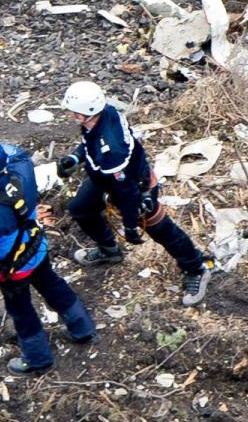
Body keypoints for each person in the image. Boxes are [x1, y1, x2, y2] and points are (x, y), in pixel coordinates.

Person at [56, 81, 214, 307]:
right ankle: (109, 249)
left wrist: (130, 225)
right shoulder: (104, 114)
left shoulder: (111, 150)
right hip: (105, 179)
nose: (69, 114)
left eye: (73, 112)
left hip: (134, 189)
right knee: (80, 209)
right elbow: (89, 144)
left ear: (83, 115)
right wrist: (74, 158)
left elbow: (126, 192)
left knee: (162, 231)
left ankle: (196, 268)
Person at [0, 137, 96, 375]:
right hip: (36, 248)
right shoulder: (22, 171)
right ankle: (83, 328)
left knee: (22, 312)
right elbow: (19, 152)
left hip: (13, 271)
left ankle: (38, 359)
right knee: (55, 287)